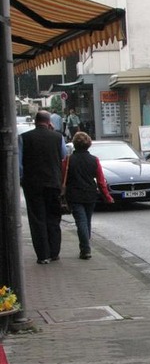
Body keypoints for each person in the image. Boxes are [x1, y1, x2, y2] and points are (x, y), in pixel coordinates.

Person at [19, 110, 67, 264]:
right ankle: (54, 252)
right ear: (49, 122)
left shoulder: (24, 138)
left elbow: (19, 164)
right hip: (53, 183)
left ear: (35, 121)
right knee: (53, 217)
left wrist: (23, 178)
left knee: (37, 219)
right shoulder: (58, 137)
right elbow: (63, 155)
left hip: (33, 185)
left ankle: (42, 255)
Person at [63, 132, 114, 260]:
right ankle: (86, 246)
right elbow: (101, 181)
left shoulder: (68, 160)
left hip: (74, 195)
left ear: (74, 144)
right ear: (88, 144)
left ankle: (85, 249)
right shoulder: (94, 160)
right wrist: (107, 197)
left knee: (81, 221)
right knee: (87, 220)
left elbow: (62, 177)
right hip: (90, 194)